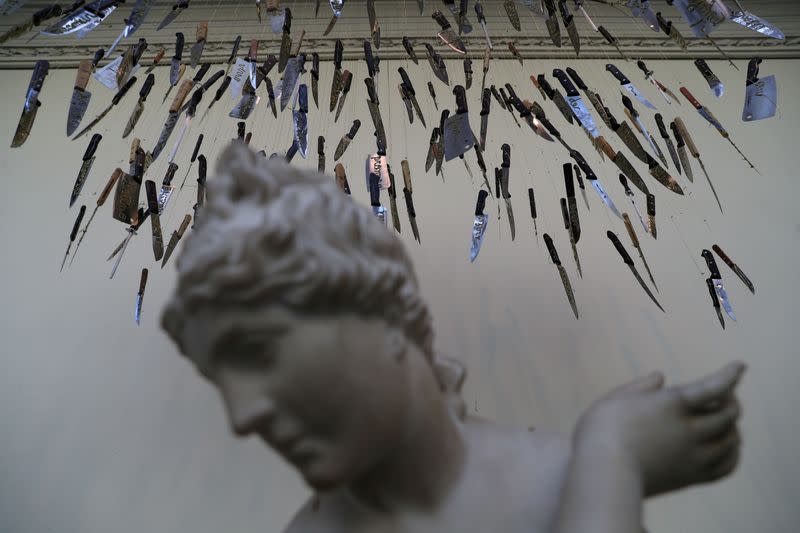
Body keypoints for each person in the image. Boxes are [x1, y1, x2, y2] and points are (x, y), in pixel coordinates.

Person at [162, 144, 745, 533]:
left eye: (260, 352)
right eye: (220, 384)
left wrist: (605, 462)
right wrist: (613, 465)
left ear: (382, 313)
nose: (241, 417)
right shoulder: (587, 474)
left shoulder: (556, 476)